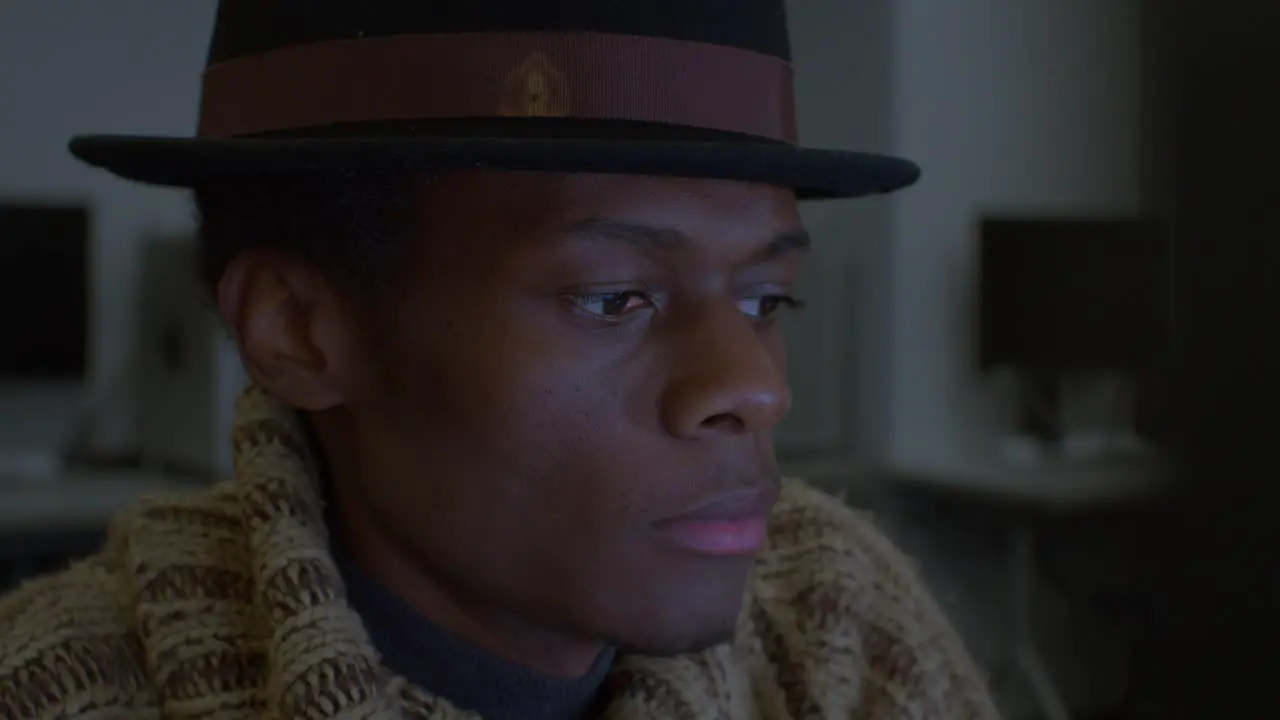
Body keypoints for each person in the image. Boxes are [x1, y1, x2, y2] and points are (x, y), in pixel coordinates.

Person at [0, 1, 999, 718]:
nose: (758, 386)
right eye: (614, 297)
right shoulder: (58, 687)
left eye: (764, 300)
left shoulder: (838, 629)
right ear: (297, 331)